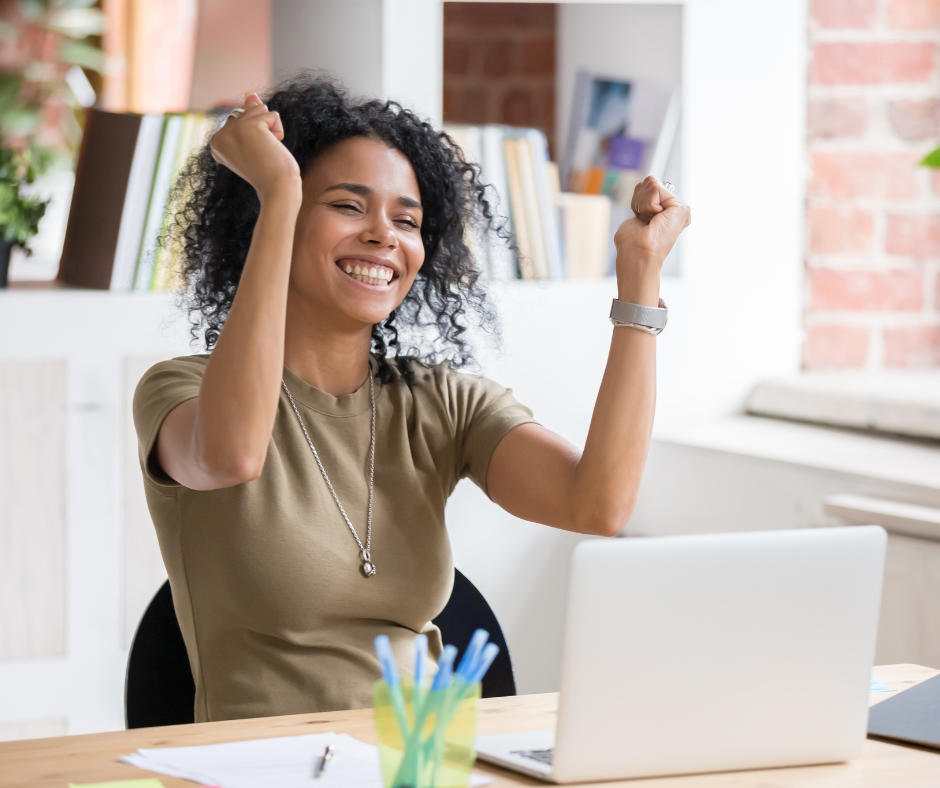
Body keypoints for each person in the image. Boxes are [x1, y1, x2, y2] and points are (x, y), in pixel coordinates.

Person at [133, 76, 691, 723]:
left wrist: (640, 279)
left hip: (421, 759)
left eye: (407, 219)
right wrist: (280, 190)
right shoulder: (180, 390)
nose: (383, 235)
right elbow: (231, 455)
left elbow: (598, 504)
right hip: (265, 766)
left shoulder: (439, 401)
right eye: (347, 206)